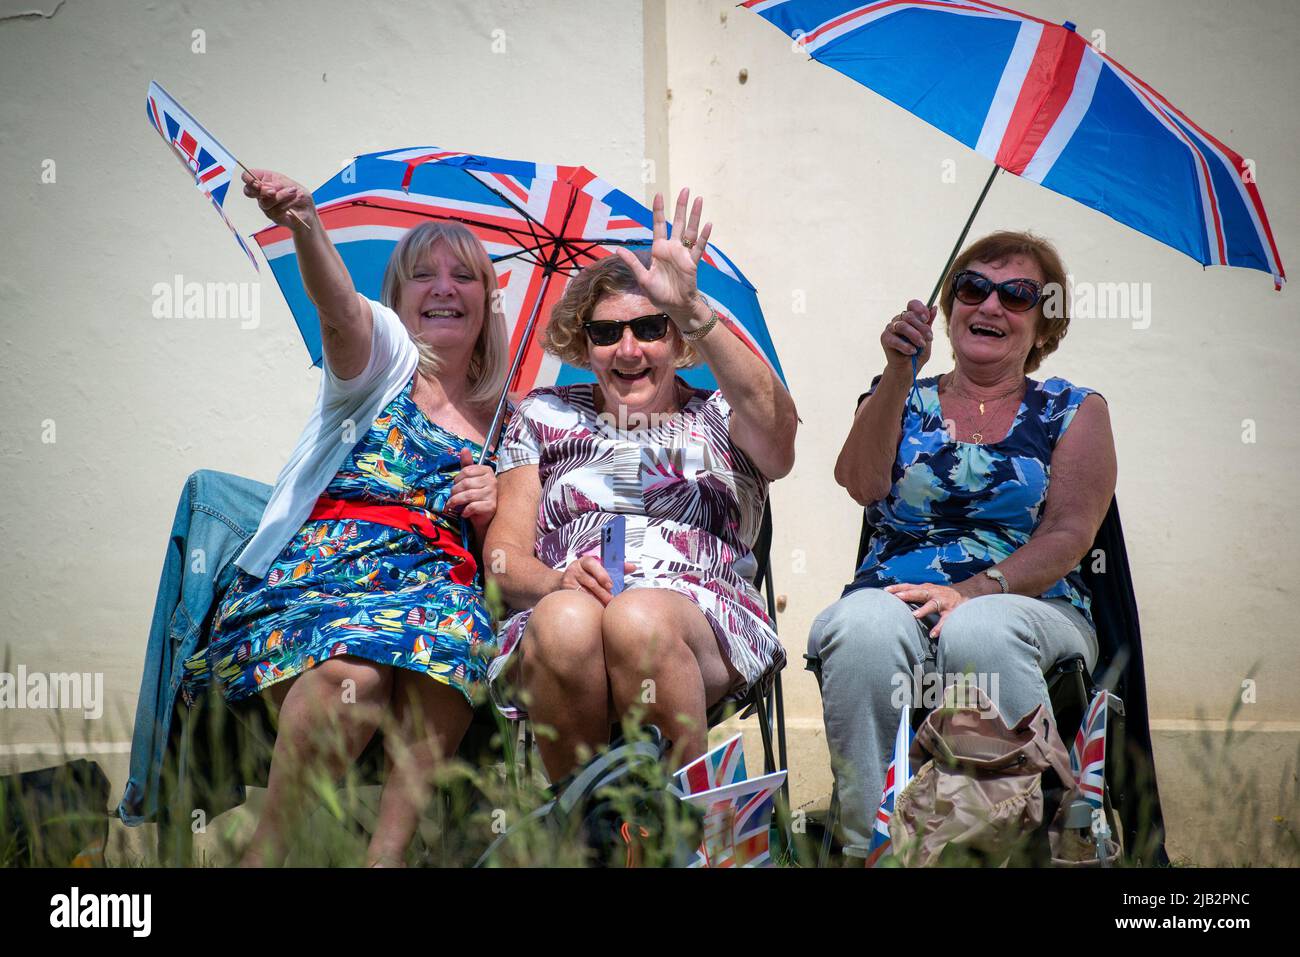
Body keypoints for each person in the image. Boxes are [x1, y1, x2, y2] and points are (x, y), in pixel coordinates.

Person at [176, 169, 509, 866]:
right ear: (398, 296)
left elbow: (512, 549)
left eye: (464, 276)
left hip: (434, 597)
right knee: (352, 667)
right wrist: (306, 223)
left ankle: (384, 857)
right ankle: (269, 851)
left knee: (453, 637)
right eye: (423, 274)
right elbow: (341, 313)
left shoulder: (509, 421)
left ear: (489, 299)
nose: (444, 287)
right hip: (323, 578)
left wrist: (493, 501)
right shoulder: (382, 361)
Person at [808, 231, 1116, 862]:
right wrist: (898, 373)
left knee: (982, 629)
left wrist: (971, 592)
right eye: (973, 288)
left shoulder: (1073, 409)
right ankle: (870, 845)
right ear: (948, 309)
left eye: (1018, 294)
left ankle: (1013, 846)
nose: (990, 306)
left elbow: (1070, 535)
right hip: (896, 593)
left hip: (1031, 600)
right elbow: (860, 484)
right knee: (858, 627)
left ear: (1044, 320)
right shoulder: (901, 394)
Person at [484, 189, 798, 780]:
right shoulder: (543, 415)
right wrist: (555, 581)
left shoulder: (723, 415)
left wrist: (690, 306)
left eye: (651, 327)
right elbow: (502, 562)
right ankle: (589, 833)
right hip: (565, 619)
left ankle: (682, 838)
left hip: (697, 617)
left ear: (679, 342)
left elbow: (781, 442)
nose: (628, 349)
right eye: (606, 334)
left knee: (636, 620)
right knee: (563, 620)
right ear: (584, 346)